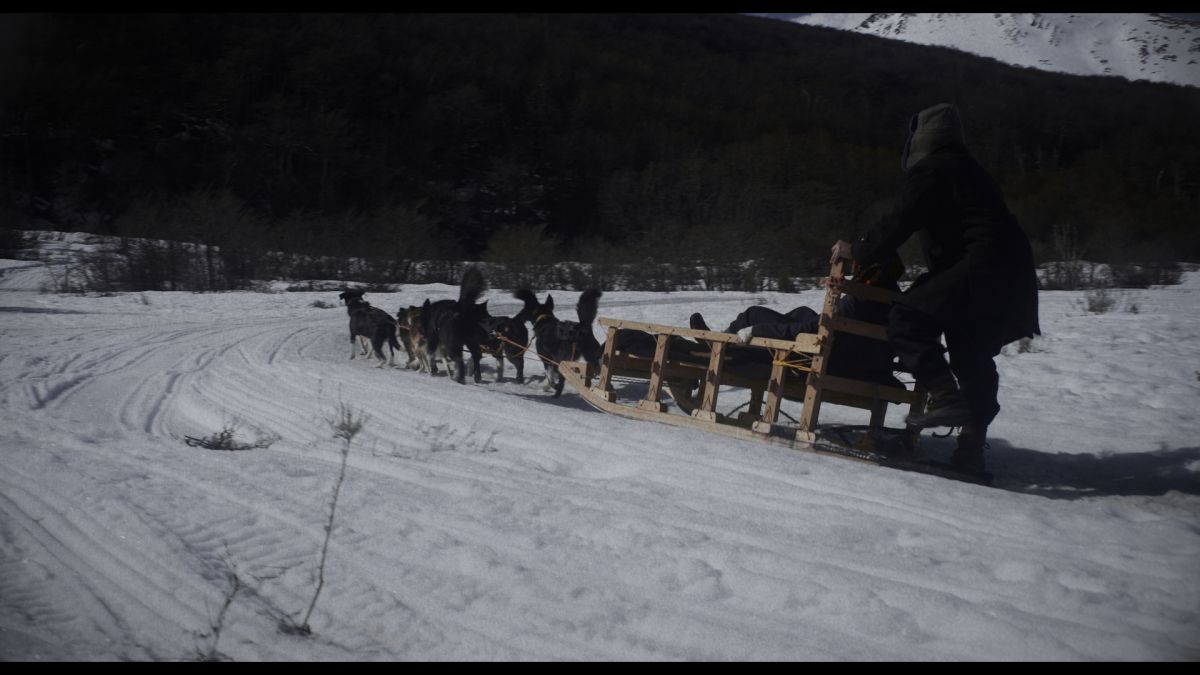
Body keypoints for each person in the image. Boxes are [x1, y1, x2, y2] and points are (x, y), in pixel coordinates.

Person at [831, 103, 1040, 474]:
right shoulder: (970, 171)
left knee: (907, 317)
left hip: (980, 265)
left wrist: (858, 249)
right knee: (971, 351)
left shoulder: (935, 168)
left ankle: (945, 397)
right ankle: (971, 448)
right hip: (1011, 272)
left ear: (919, 140)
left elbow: (900, 218)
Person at [689, 252, 907, 387]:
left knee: (753, 314)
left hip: (827, 361)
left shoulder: (859, 299)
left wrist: (757, 329)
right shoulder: (897, 300)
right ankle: (722, 341)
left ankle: (719, 345)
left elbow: (811, 330)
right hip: (864, 364)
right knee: (802, 311)